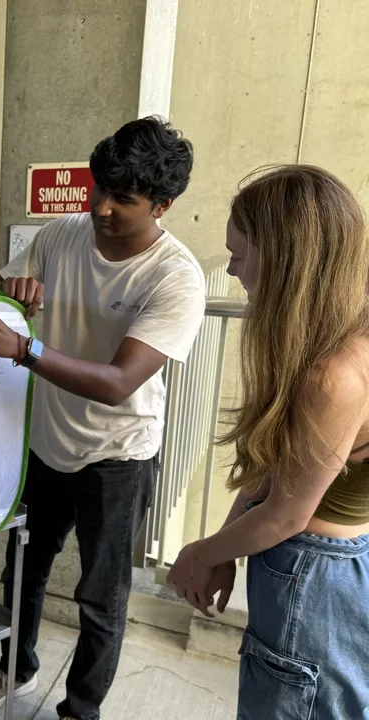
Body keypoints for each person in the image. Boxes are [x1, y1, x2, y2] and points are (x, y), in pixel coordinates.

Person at [0, 117, 206, 719]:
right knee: (25, 567)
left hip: (119, 457)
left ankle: (80, 711)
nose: (101, 208)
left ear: (163, 205)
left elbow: (120, 384)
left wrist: (25, 349)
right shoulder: (59, 234)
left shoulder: (176, 277)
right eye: (98, 189)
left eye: (124, 198)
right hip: (48, 443)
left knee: (101, 595)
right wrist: (7, 287)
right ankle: (15, 669)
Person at [167, 165, 369, 718]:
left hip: (312, 574)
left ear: (283, 259)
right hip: (323, 566)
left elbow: (286, 513)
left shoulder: (333, 375)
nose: (231, 271)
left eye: (238, 254)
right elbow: (280, 467)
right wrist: (231, 543)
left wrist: (199, 553)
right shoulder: (346, 332)